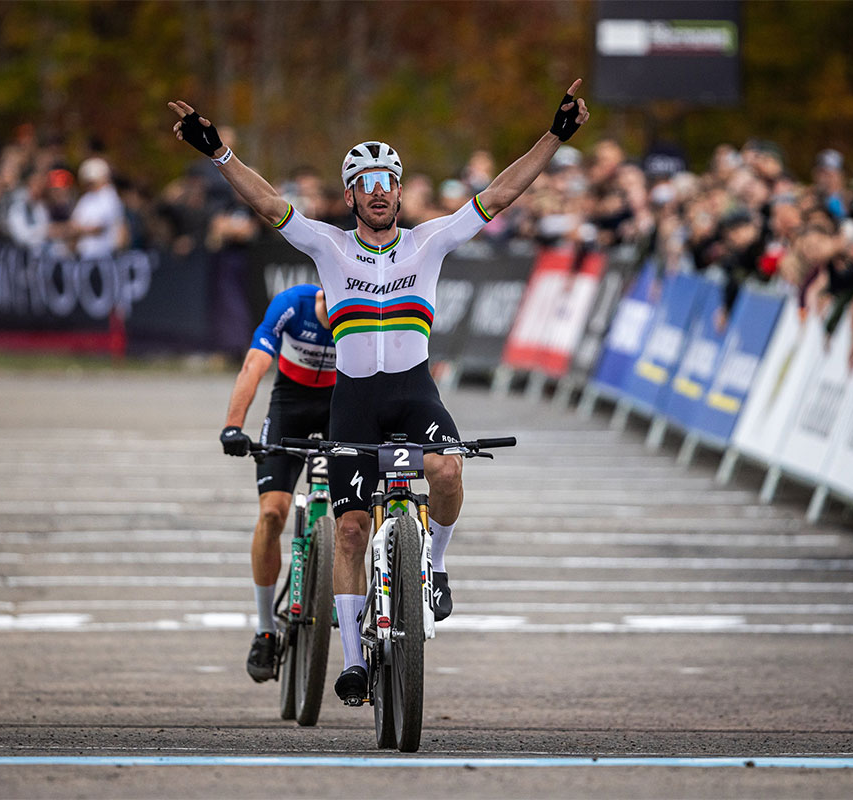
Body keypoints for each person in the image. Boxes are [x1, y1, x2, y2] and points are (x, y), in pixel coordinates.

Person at [170, 78, 589, 704]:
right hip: (356, 400)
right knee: (350, 530)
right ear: (352, 195)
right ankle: (352, 661)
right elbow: (266, 204)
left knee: (447, 472)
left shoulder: (431, 241)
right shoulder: (329, 247)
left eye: (387, 182)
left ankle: (437, 565)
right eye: (365, 184)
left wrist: (554, 137)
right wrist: (218, 153)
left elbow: (500, 194)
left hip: (414, 393)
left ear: (397, 189)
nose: (378, 193)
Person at [218, 283, 336, 682]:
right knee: (272, 513)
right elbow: (254, 364)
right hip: (291, 405)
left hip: (343, 404)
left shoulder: (364, 310)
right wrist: (234, 425)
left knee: (354, 512)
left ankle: (344, 590)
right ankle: (265, 627)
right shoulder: (293, 305)